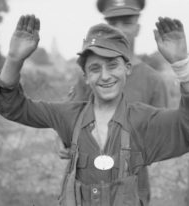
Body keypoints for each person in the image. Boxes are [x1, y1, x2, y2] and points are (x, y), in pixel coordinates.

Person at [0, 14, 189, 206]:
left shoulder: (144, 120)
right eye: (95, 68)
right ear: (86, 77)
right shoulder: (69, 115)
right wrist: (13, 60)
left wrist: (182, 64)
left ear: (127, 69)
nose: (105, 76)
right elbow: (12, 106)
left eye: (113, 65)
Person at [63, 1, 169, 204]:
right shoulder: (89, 76)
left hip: (130, 192)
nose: (119, 29)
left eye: (127, 22)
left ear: (137, 27)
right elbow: (68, 125)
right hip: (84, 191)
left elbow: (160, 142)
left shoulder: (153, 81)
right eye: (112, 23)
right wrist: (64, 142)